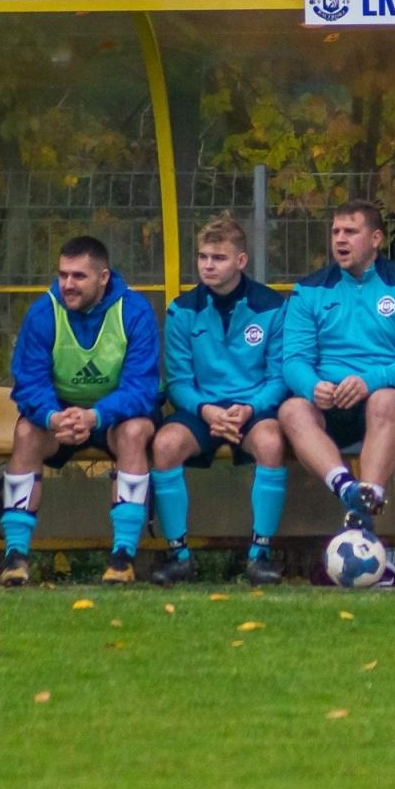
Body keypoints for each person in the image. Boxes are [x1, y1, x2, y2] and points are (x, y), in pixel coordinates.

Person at [0, 235, 160, 586]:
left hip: (115, 416)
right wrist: (53, 417)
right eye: (63, 275)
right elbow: (28, 383)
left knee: (134, 433)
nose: (67, 285)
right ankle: (15, 556)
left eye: (78, 276)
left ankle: (122, 558)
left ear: (103, 278)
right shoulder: (44, 312)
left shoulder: (134, 311)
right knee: (26, 431)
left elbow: (142, 388)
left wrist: (96, 416)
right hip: (61, 416)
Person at [149, 215, 288, 586]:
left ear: (240, 262)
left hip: (253, 407)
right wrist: (207, 410)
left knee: (272, 442)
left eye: (219, 258)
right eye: (203, 257)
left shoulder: (273, 307)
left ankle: (260, 556)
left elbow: (279, 377)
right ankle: (178, 555)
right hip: (201, 408)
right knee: (164, 445)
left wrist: (250, 409)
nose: (208, 265)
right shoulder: (182, 310)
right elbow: (177, 382)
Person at [279, 199, 395, 531]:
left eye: (351, 231)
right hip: (330, 400)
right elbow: (293, 360)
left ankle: (366, 507)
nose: (340, 239)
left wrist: (370, 380)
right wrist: (312, 386)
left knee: (384, 400)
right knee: (292, 409)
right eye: (335, 232)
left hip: (384, 398)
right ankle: (348, 489)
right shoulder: (308, 291)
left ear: (376, 239)